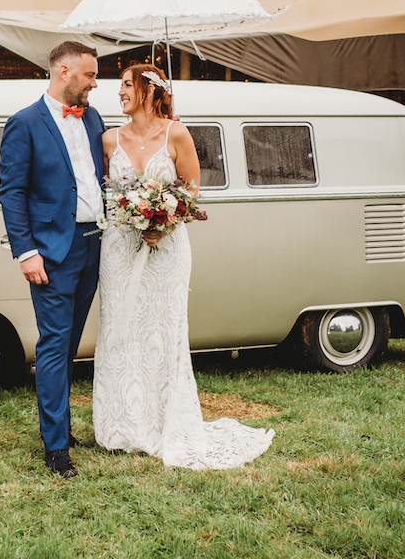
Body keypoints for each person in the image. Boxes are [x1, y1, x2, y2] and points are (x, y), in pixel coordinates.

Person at [93, 64, 274, 470]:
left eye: (125, 85)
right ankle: (121, 426)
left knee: (162, 330)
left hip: (167, 251)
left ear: (147, 91)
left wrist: (163, 221)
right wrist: (133, 216)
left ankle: (163, 423)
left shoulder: (177, 133)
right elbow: (109, 192)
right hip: (120, 250)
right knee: (121, 328)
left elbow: (191, 189)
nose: (118, 92)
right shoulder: (108, 139)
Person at [0, 41, 105, 479]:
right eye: (89, 75)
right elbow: (11, 192)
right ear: (63, 72)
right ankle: (56, 446)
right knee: (54, 345)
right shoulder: (24, 123)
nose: (94, 84)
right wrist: (26, 252)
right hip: (51, 253)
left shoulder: (94, 117)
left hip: (95, 244)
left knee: (70, 342)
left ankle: (60, 426)